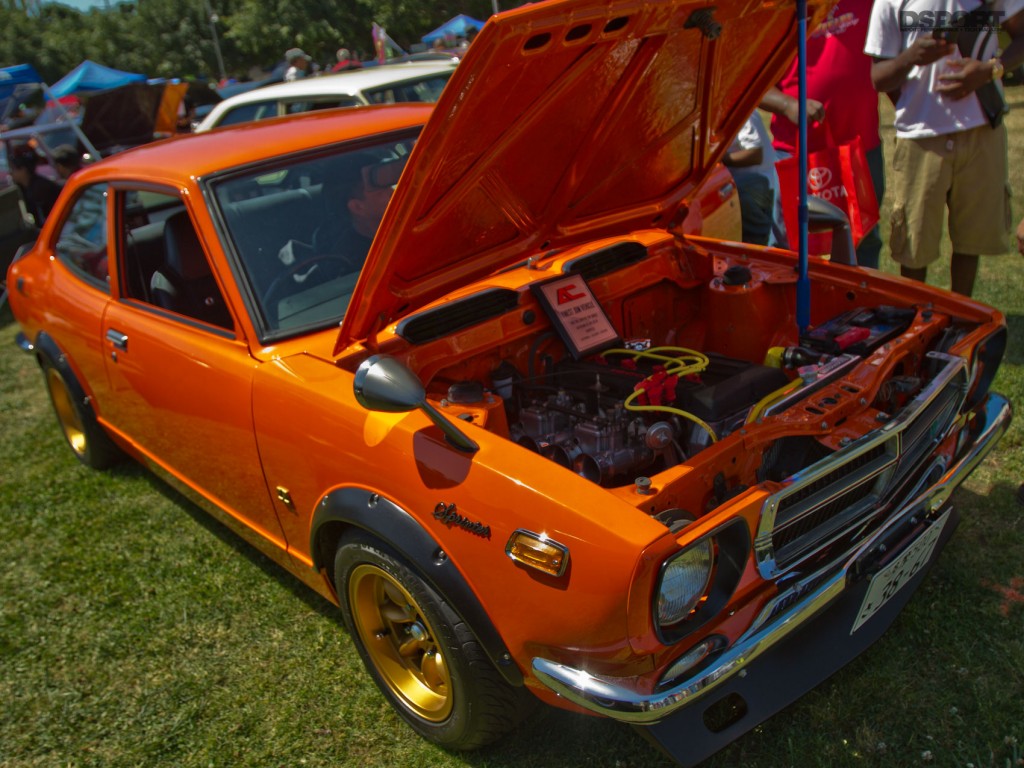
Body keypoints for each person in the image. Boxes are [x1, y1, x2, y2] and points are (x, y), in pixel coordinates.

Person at [865, 0, 1024, 296]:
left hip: (980, 131)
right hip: (920, 137)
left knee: (971, 240)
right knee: (914, 244)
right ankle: (917, 321)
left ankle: (961, 321)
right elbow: (878, 76)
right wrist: (910, 58)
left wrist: (990, 70)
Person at [760, 0, 883, 267]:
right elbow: (749, 80)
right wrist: (787, 105)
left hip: (862, 148)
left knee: (864, 241)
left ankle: (860, 306)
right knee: (792, 246)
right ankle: (793, 309)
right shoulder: (778, 10)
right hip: (797, 151)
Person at [722, 112, 784, 247]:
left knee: (757, 247)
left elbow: (755, 154)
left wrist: (718, 159)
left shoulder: (742, 113)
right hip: (741, 188)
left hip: (757, 187)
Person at [8, 152, 61, 228]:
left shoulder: (42, 188)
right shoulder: (21, 189)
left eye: (14, 169)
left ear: (23, 170)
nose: (11, 173)